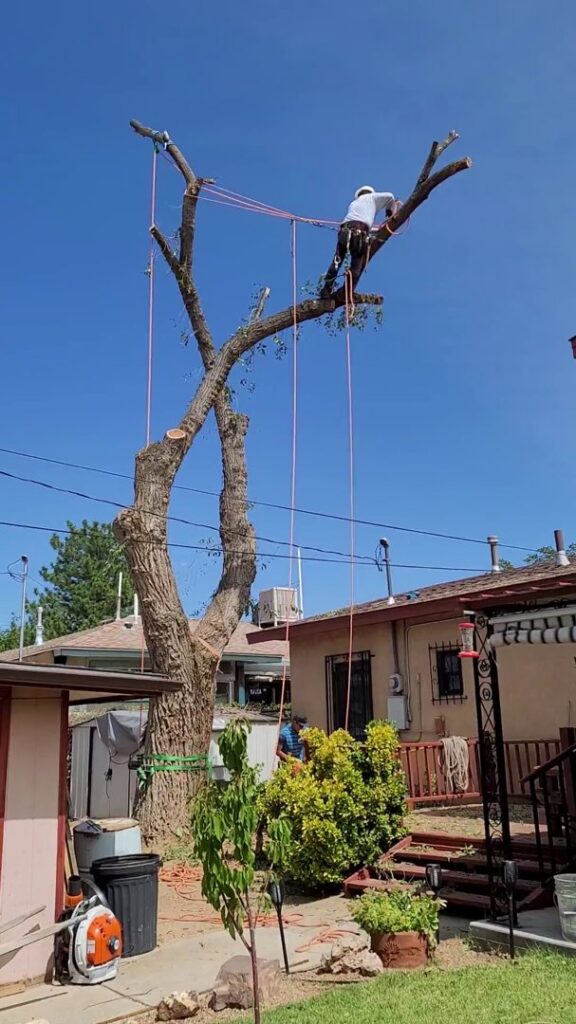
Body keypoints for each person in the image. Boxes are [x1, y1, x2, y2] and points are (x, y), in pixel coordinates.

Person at [320, 185, 399, 299]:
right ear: (370, 192)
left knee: (337, 261)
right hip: (360, 232)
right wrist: (389, 210)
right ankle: (347, 292)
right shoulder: (372, 197)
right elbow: (390, 196)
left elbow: (360, 221)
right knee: (356, 265)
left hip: (345, 231)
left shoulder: (354, 203)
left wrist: (376, 230)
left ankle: (326, 290)